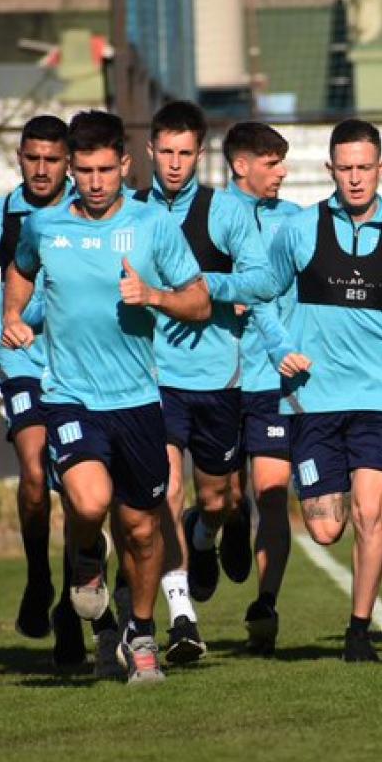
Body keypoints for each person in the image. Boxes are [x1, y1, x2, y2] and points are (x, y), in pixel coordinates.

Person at [2, 110, 213, 685]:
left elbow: (199, 302)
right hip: (70, 397)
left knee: (143, 530)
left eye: (105, 170)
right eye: (84, 171)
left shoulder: (152, 227)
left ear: (124, 164)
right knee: (89, 504)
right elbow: (19, 270)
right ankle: (88, 561)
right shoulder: (45, 226)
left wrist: (154, 295)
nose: (95, 182)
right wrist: (12, 315)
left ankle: (140, 634)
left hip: (139, 401)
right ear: (72, 170)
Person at [254, 118, 382, 661]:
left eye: (365, 167)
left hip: (381, 399)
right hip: (311, 399)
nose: (356, 178)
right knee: (325, 530)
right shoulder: (300, 230)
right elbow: (264, 297)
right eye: (346, 168)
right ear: (331, 170)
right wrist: (277, 348)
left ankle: (358, 630)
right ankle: (355, 615)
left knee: (371, 512)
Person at [0, 115, 118, 673]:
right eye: (34, 158)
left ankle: (71, 607)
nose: (43, 169)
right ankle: (37, 576)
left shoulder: (88, 211)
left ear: (68, 162)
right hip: (21, 354)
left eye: (54, 160)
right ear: (19, 157)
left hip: (79, 360)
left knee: (86, 494)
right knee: (33, 471)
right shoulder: (0, 212)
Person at [137, 101, 274, 664]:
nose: (174, 163)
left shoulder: (224, 213)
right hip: (154, 375)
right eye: (165, 152)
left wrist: (200, 287)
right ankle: (183, 618)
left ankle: (203, 532)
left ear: (200, 154)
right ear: (150, 152)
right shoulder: (131, 214)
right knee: (166, 489)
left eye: (185, 153)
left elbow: (261, 278)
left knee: (218, 499)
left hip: (219, 378)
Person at [221, 121, 302, 655]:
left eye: (282, 162)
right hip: (218, 378)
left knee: (272, 493)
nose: (282, 172)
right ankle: (213, 527)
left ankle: (265, 605)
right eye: (272, 163)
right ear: (241, 165)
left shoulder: (297, 222)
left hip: (274, 381)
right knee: (224, 497)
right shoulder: (208, 218)